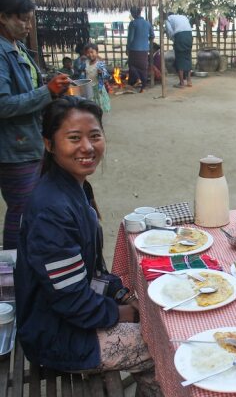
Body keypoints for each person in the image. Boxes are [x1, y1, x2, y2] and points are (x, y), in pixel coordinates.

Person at [14, 96, 162, 396]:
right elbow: (71, 300)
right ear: (49, 144)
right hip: (57, 335)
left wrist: (119, 294)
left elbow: (87, 274)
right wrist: (126, 312)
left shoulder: (74, 188)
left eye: (94, 136)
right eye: (74, 138)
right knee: (162, 344)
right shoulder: (51, 210)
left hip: (67, 315)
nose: (87, 147)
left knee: (155, 310)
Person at [0, 0, 70, 249]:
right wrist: (46, 93)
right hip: (14, 148)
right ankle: (11, 274)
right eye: (22, 19)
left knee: (32, 206)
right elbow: (4, 104)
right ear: (3, 17)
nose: (28, 25)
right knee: (20, 211)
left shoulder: (16, 47)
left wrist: (51, 88)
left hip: (29, 140)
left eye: (29, 19)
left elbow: (28, 89)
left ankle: (30, 259)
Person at [126, 6, 153, 93]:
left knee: (132, 65)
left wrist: (128, 48)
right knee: (143, 68)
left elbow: (130, 38)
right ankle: (143, 88)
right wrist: (145, 40)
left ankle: (137, 79)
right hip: (144, 50)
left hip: (134, 49)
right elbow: (152, 35)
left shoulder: (133, 23)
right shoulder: (147, 23)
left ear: (133, 13)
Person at [164, 12, 192, 88]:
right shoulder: (183, 16)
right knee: (188, 57)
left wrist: (174, 41)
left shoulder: (168, 19)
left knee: (180, 59)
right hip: (189, 36)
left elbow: (170, 32)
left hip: (180, 36)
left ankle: (182, 83)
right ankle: (189, 81)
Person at [83, 43, 111, 113]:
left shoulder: (100, 64)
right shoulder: (86, 62)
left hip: (98, 88)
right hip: (89, 88)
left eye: (92, 52)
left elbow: (107, 76)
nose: (90, 54)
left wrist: (101, 73)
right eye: (87, 53)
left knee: (99, 106)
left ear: (97, 52)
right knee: (91, 106)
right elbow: (86, 74)